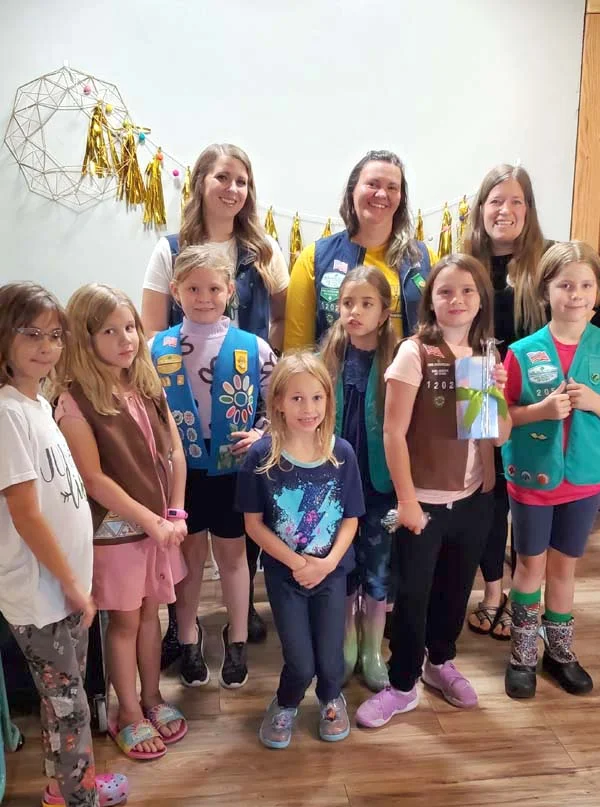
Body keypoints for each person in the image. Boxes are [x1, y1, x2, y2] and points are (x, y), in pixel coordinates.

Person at [0, 282, 143, 807]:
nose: (46, 346)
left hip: (65, 593)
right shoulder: (6, 412)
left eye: (55, 335)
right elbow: (27, 514)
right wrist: (71, 583)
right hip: (46, 596)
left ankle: (65, 790)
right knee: (71, 720)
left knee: (70, 710)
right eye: (31, 333)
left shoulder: (35, 403)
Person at [356, 254, 511, 728]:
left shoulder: (487, 355)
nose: (457, 300)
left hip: (475, 497)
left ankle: (439, 662)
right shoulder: (414, 351)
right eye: (445, 291)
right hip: (422, 500)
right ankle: (403, 684)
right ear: (431, 301)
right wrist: (406, 500)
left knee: (455, 589)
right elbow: (392, 433)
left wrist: (499, 391)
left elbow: (499, 436)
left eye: (467, 291)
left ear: (481, 299)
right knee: (415, 593)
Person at [142, 143, 288, 649]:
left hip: (240, 407)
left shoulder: (263, 252)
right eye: (222, 177)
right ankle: (182, 634)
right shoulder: (171, 247)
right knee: (189, 536)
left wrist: (267, 417)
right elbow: (152, 336)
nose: (232, 189)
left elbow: (282, 325)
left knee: (236, 534)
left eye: (241, 181)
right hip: (185, 418)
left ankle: (238, 621)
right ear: (201, 182)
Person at [56, 284, 187, 761]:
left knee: (152, 615)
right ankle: (127, 712)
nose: (125, 338)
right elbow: (94, 478)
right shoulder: (74, 402)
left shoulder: (148, 386)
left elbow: (174, 450)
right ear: (84, 339)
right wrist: (152, 520)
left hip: (158, 525)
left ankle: (152, 697)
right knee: (125, 622)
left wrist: (175, 510)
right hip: (117, 533)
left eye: (129, 326)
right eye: (109, 331)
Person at [151, 245, 276, 690]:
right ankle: (187, 636)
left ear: (230, 291)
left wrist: (262, 432)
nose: (204, 297)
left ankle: (237, 636)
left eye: (214, 288)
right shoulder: (156, 349)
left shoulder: (254, 347)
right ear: (175, 291)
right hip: (180, 473)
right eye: (193, 288)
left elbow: (277, 403)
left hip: (234, 470)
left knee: (234, 556)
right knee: (187, 556)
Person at [237, 352, 365, 748]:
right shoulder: (261, 457)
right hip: (285, 576)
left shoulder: (341, 452)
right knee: (301, 662)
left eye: (316, 398)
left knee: (331, 661)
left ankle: (331, 699)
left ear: (328, 400)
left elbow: (350, 519)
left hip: (331, 573)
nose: (308, 409)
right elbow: (253, 524)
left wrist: (326, 564)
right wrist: (296, 563)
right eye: (296, 399)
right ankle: (287, 701)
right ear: (277, 401)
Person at [502, 241, 600, 699]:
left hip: (583, 480)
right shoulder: (522, 352)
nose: (575, 294)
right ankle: (522, 653)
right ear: (546, 291)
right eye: (564, 285)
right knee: (529, 566)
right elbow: (501, 421)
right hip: (532, 482)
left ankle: (559, 652)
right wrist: (540, 410)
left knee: (565, 569)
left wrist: (595, 403)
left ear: (596, 290)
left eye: (585, 284)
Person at [464, 164, 548, 640]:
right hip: (477, 391)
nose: (505, 210)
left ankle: (524, 595)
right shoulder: (465, 261)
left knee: (529, 500)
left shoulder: (546, 263)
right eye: (496, 200)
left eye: (517, 201)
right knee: (487, 497)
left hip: (534, 399)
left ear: (529, 210)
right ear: (481, 208)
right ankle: (492, 590)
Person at [321, 266, 397, 691]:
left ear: (384, 312)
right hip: (335, 486)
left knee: (379, 568)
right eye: (348, 303)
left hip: (379, 485)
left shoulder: (395, 359)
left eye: (367, 304)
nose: (355, 311)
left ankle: (372, 648)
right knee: (343, 566)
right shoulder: (328, 357)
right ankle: (347, 644)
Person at [284, 149, 436, 351]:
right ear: (352, 191)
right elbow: (297, 352)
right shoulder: (314, 258)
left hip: (410, 382)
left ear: (401, 198)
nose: (382, 194)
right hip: (335, 381)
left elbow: (443, 335)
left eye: (392, 187)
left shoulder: (425, 259)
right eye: (372, 184)